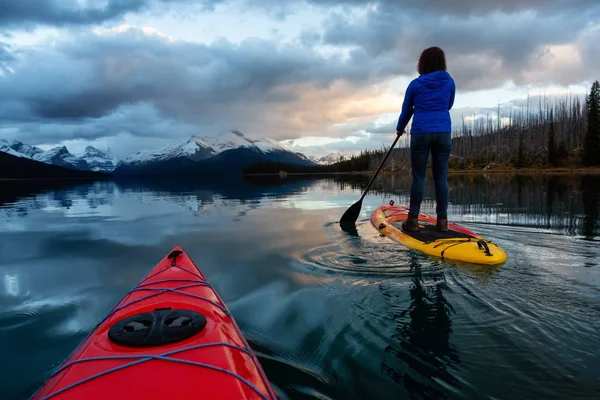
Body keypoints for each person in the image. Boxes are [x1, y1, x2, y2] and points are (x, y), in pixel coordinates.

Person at [395, 46, 455, 232]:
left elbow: (406, 110)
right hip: (443, 131)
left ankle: (412, 220)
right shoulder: (449, 82)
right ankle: (442, 222)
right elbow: (449, 104)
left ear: (422, 63)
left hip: (421, 132)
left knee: (418, 177)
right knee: (441, 177)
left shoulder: (415, 84)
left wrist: (400, 128)